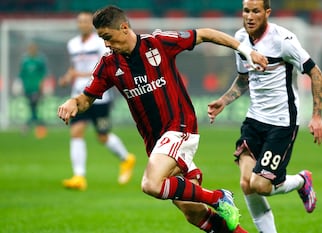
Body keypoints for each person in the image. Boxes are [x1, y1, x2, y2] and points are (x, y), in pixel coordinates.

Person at [57, 5, 268, 233]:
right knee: (193, 212)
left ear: (124, 27)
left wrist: (246, 51)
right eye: (102, 39)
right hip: (156, 143)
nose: (106, 44)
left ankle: (218, 197)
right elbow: (86, 98)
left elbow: (205, 33)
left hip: (180, 127)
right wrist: (73, 103)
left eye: (108, 37)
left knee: (151, 184)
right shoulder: (109, 65)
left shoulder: (158, 42)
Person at [207, 1, 322, 232]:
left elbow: (315, 72)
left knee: (261, 185)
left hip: (282, 123)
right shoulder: (240, 38)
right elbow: (244, 79)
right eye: (246, 11)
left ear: (267, 13)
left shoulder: (284, 40)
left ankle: (302, 180)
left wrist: (317, 116)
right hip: (255, 120)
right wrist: (223, 100)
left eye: (255, 11)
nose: (249, 16)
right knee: (246, 183)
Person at [58, 11, 136, 190]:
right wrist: (68, 77)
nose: (83, 24)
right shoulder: (73, 44)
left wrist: (80, 74)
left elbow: (105, 67)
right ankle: (79, 177)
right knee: (76, 132)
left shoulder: (101, 42)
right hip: (79, 95)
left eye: (86, 21)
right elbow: (74, 67)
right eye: (80, 21)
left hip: (99, 96)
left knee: (103, 136)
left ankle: (126, 158)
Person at [18, 42, 48, 139]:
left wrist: (42, 86)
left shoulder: (40, 60)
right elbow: (21, 74)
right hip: (27, 88)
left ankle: (29, 126)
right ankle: (39, 126)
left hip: (36, 88)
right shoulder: (25, 61)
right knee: (33, 108)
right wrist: (19, 84)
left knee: (34, 106)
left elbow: (44, 74)